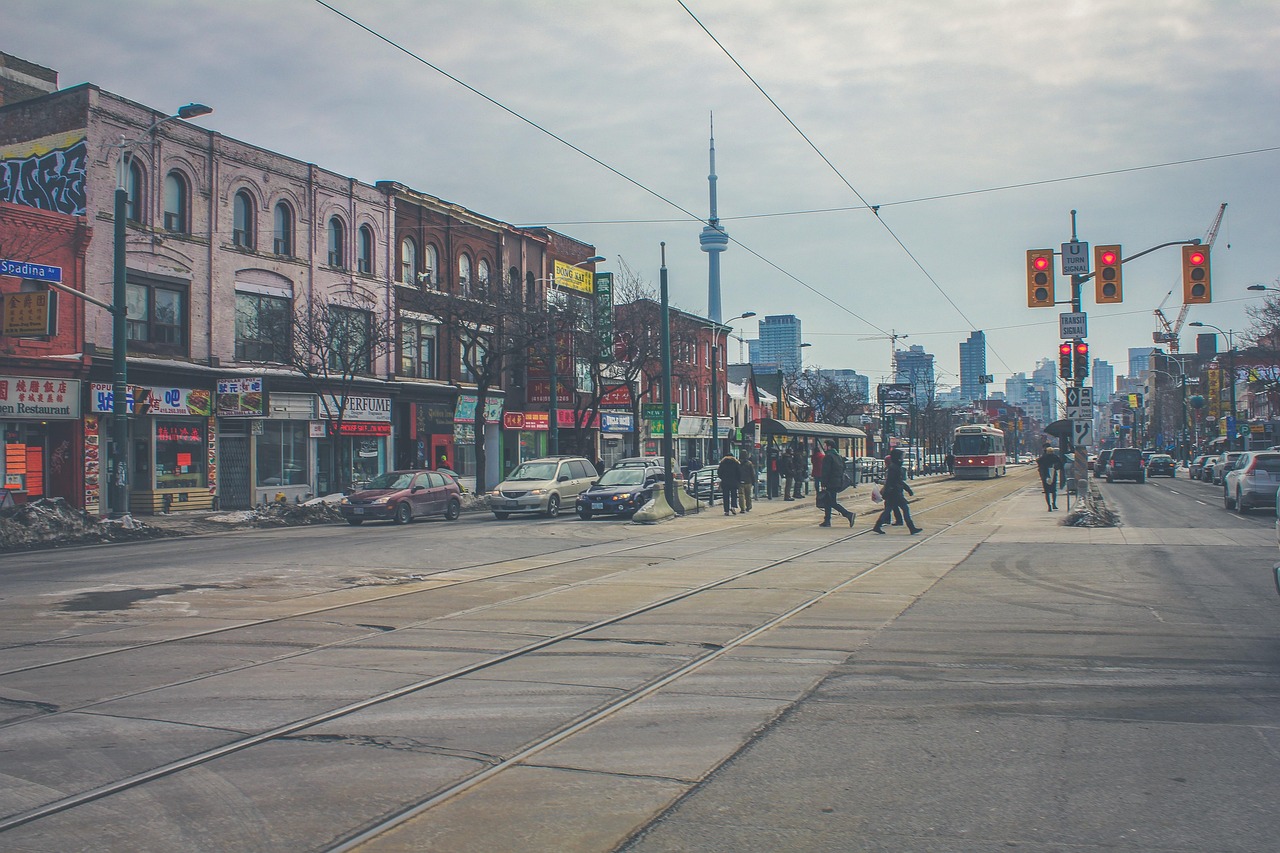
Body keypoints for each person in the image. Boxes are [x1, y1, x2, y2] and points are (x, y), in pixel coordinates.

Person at [873, 448, 921, 534]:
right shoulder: (894, 468)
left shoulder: (895, 467)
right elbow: (893, 481)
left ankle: (877, 526)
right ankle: (911, 528)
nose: (903, 458)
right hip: (895, 492)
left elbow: (896, 481)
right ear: (898, 457)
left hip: (893, 492)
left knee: (888, 509)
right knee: (905, 509)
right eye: (902, 456)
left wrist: (906, 489)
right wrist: (907, 489)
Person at [818, 439, 855, 527]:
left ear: (829, 446)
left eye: (825, 445)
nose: (824, 447)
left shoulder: (828, 456)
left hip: (830, 483)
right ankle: (827, 521)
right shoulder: (837, 456)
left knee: (832, 502)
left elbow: (825, 471)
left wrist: (823, 483)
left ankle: (848, 514)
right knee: (828, 501)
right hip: (837, 482)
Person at [1036, 443, 1064, 511]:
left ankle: (1049, 506)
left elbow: (1038, 462)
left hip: (1045, 476)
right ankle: (1054, 504)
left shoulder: (1043, 458)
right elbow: (1060, 465)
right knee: (1054, 490)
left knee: (1047, 492)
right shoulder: (1055, 457)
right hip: (1053, 475)